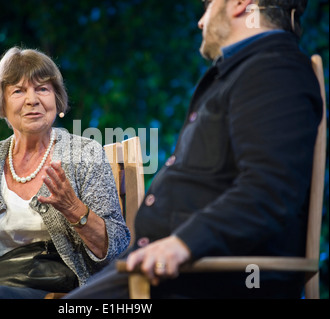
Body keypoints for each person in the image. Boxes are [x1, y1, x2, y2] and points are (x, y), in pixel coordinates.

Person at [65, 0, 323, 299]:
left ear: (239, 4)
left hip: (205, 278)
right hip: (166, 271)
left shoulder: (274, 70)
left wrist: (183, 244)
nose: (201, 22)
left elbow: (270, 190)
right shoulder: (247, 72)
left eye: (208, 5)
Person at [0, 47, 130, 299]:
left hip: (68, 295)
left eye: (42, 89)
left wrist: (74, 209)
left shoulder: (85, 154)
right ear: (2, 104)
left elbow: (116, 246)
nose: (32, 100)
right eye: (18, 90)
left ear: (57, 99)